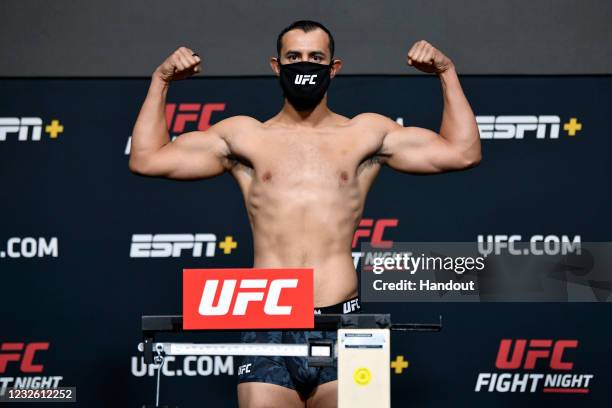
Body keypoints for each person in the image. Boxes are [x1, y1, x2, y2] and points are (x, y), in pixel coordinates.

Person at [129, 19, 481, 408]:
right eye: (293, 57)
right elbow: (147, 158)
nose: (304, 65)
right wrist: (160, 80)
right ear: (276, 66)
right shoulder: (245, 136)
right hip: (267, 319)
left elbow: (462, 152)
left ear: (334, 68)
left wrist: (446, 73)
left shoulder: (365, 134)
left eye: (316, 57)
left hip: (345, 321)